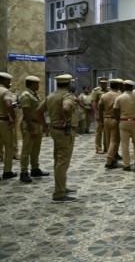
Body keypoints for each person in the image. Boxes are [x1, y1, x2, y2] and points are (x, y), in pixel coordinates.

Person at [36, 74, 78, 202]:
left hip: (55, 130)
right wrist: (67, 120)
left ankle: (62, 187)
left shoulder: (51, 96)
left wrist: (45, 127)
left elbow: (38, 111)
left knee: (58, 160)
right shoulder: (67, 96)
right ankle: (59, 194)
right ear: (68, 84)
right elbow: (66, 107)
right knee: (62, 162)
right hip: (65, 132)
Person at [19, 76, 49, 183]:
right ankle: (23, 172)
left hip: (36, 124)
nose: (38, 86)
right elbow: (26, 112)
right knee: (27, 149)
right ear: (31, 84)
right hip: (29, 124)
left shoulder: (34, 95)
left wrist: (43, 126)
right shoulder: (26, 95)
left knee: (36, 149)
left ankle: (35, 169)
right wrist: (31, 128)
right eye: (37, 84)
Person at [114, 80, 135, 171]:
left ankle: (126, 164)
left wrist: (118, 120)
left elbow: (115, 112)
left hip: (123, 122)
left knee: (124, 144)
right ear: (132, 87)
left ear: (124, 87)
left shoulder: (119, 98)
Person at [99, 79, 122, 169]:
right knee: (114, 141)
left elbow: (100, 108)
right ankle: (109, 161)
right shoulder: (119, 95)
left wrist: (101, 121)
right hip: (115, 119)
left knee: (108, 140)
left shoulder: (104, 96)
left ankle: (112, 158)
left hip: (106, 119)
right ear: (118, 86)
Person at [0, 72, 17, 179]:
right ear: (4, 81)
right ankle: (7, 171)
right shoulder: (5, 91)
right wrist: (12, 117)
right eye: (8, 81)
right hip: (3, 122)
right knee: (9, 146)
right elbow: (8, 105)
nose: (9, 83)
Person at [91, 77, 108, 154]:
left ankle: (106, 147)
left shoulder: (108, 90)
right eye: (102, 83)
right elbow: (94, 103)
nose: (104, 84)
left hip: (107, 112)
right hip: (99, 112)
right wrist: (96, 114)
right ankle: (98, 147)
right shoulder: (96, 91)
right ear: (99, 83)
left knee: (106, 131)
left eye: (105, 83)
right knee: (99, 131)